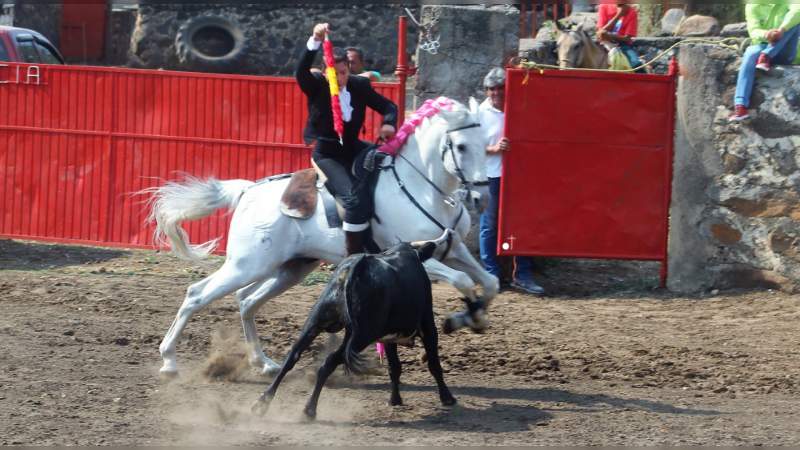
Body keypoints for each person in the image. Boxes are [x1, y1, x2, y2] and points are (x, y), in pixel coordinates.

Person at [296, 23, 398, 255]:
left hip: (354, 147)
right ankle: (353, 257)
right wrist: (315, 40)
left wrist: (389, 123)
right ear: (325, 73)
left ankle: (382, 238)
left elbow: (388, 106)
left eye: (344, 73)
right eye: (334, 73)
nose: (340, 78)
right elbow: (301, 71)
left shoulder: (359, 85)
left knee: (387, 168)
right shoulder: (316, 87)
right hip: (328, 154)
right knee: (352, 200)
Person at [477, 68, 545, 296]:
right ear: (486, 91)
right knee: (490, 226)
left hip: (520, 174)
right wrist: (494, 149)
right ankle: (492, 275)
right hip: (493, 174)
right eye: (491, 89)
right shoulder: (480, 114)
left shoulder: (520, 106)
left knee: (521, 225)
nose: (496, 93)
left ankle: (521, 275)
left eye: (500, 88)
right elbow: (473, 147)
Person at [729, 2, 800, 122]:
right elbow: (753, 31)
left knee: (795, 21)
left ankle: (767, 55)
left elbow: (797, 10)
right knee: (751, 52)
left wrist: (782, 30)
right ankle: (740, 106)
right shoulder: (752, 5)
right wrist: (767, 34)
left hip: (785, 52)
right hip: (762, 44)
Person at [596, 1, 645, 72]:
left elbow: (627, 38)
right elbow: (600, 33)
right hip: (604, 43)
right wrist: (619, 15)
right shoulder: (604, 6)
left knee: (636, 63)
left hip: (622, 46)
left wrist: (609, 36)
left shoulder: (632, 12)